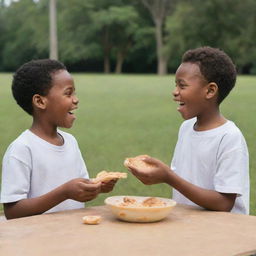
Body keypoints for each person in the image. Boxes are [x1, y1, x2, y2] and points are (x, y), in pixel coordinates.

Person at [127, 46, 250, 214]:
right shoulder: (186, 128)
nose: (175, 92)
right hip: (190, 226)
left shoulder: (229, 137)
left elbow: (224, 203)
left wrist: (168, 177)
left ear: (210, 90)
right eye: (175, 85)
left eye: (182, 86)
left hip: (223, 233)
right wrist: (161, 174)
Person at [0, 59, 117, 219]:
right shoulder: (22, 149)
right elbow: (13, 211)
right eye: (68, 93)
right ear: (40, 101)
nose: (76, 99)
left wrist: (97, 186)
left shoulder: (71, 142)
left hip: (72, 233)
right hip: (37, 239)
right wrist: (64, 192)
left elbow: (79, 185)